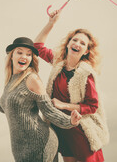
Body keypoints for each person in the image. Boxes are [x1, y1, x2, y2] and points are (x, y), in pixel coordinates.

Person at [0, 37, 81, 162]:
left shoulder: (32, 79)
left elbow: (49, 111)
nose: (24, 56)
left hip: (39, 144)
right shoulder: (10, 80)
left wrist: (70, 121)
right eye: (20, 52)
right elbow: (10, 111)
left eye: (28, 54)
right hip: (20, 148)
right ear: (11, 55)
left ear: (31, 59)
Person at [34, 10, 109, 162]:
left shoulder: (86, 74)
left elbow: (92, 106)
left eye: (83, 43)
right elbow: (37, 46)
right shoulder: (57, 62)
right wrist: (51, 23)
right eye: (74, 40)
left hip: (81, 132)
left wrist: (64, 105)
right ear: (68, 43)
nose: (77, 44)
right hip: (62, 129)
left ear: (87, 51)